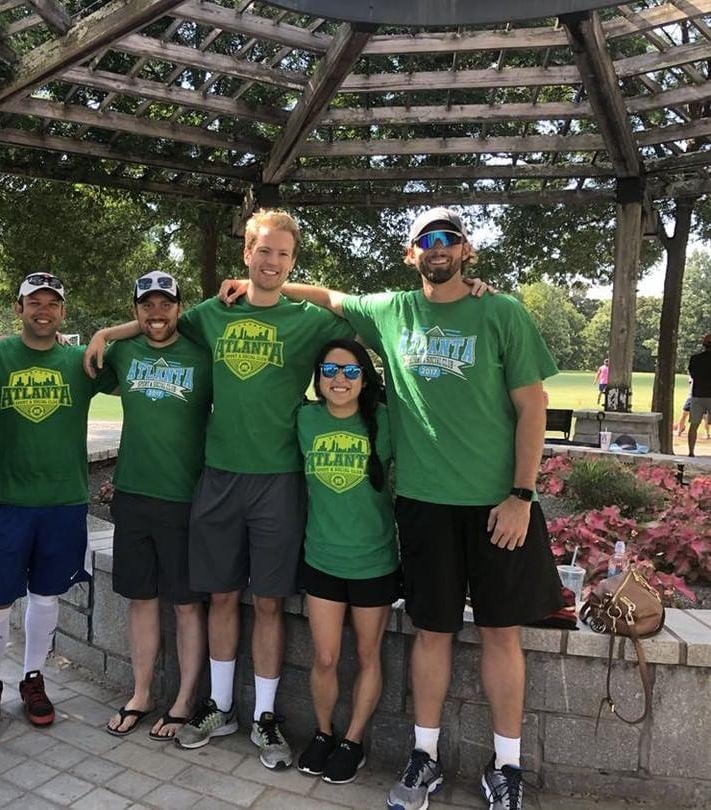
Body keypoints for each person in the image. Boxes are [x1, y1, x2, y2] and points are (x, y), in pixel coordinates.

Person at [232, 207, 561, 810]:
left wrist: (522, 494)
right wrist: (254, 284)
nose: (437, 247)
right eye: (425, 240)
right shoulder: (391, 311)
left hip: (497, 508)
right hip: (422, 506)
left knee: (500, 635)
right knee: (430, 634)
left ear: (467, 251)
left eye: (448, 238)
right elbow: (331, 297)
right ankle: (425, 756)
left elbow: (533, 406)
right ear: (411, 255)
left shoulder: (502, 311)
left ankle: (507, 767)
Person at [87, 210, 356, 770]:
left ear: (293, 260)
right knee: (222, 596)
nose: (272, 262)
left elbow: (360, 316)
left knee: (269, 601)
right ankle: (222, 706)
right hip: (217, 477)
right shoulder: (213, 314)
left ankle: (265, 716)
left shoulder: (307, 320)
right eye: (263, 252)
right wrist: (110, 331)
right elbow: (161, 322)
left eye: (283, 254)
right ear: (246, 255)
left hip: (278, 479)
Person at [0, 273, 104, 732]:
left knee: (46, 596)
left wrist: (105, 334)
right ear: (17, 307)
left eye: (52, 303)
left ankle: (32, 677)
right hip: (8, 499)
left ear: (63, 311)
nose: (43, 310)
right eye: (34, 302)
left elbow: (143, 348)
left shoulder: (80, 360)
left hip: (63, 500)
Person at [100, 271, 211, 741]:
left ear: (180, 308)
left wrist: (107, 331)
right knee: (141, 599)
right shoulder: (123, 353)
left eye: (166, 304)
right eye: (147, 304)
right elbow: (85, 366)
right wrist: (106, 335)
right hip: (132, 495)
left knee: (186, 604)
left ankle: (185, 699)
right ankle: (141, 693)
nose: (157, 313)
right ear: (136, 310)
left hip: (184, 499)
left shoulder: (203, 354)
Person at [295, 339, 399, 786]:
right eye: (331, 371)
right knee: (324, 656)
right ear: (318, 377)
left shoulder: (386, 422)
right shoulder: (304, 419)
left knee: (368, 654)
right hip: (321, 558)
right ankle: (323, 733)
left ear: (365, 378)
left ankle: (353, 741)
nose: (340, 380)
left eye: (351, 372)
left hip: (374, 561)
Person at [686, 334, 711, 457]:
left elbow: (693, 374)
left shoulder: (695, 359)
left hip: (698, 394)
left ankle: (691, 452)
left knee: (694, 425)